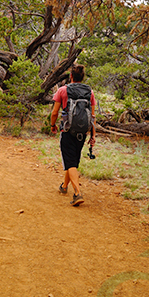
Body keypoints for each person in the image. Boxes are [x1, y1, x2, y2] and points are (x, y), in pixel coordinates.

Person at [49, 64, 96, 207]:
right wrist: (93, 136)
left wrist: (52, 125)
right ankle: (64, 186)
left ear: (71, 77)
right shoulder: (90, 92)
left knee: (70, 162)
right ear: (82, 77)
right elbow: (93, 116)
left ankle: (77, 193)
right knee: (72, 161)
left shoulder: (63, 90)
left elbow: (54, 112)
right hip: (82, 132)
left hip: (68, 131)